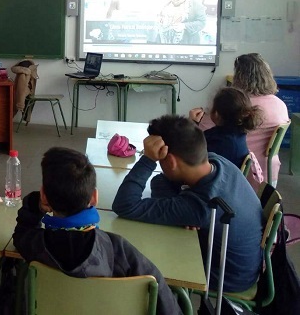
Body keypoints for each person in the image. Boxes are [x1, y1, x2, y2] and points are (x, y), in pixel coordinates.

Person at [13, 147, 181, 315]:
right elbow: (158, 289)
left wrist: (35, 204)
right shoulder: (116, 248)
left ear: (44, 196)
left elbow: (22, 232)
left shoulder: (36, 244)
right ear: (94, 197)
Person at [112, 115, 263, 293]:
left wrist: (148, 160)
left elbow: (124, 205)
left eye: (160, 162)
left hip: (225, 276)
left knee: (132, 257)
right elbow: (161, 180)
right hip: (247, 266)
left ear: (171, 161)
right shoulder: (218, 162)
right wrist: (176, 207)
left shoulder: (201, 207)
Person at [192, 53, 289, 185]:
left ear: (239, 77)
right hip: (268, 176)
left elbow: (203, 136)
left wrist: (195, 121)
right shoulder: (280, 105)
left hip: (235, 176)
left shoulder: (237, 106)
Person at [189, 87, 263, 168]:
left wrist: (191, 124)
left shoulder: (220, 142)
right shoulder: (238, 132)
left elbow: (191, 155)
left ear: (216, 115)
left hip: (214, 178)